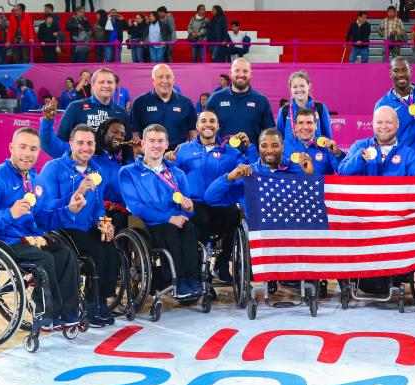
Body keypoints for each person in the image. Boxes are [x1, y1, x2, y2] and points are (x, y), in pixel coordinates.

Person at [0, 127, 84, 331]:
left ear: (39, 152)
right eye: (22, 147)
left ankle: (69, 313)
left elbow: (44, 219)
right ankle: (47, 314)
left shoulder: (35, 180)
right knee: (45, 259)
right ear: (11, 148)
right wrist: (9, 214)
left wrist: (69, 210)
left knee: (64, 253)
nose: (27, 153)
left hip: (29, 238)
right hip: (2, 241)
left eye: (33, 149)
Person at [40, 124, 119, 328]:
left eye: (90, 143)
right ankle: (91, 304)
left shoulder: (97, 170)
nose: (86, 148)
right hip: (60, 227)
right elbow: (46, 205)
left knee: (111, 249)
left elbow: (99, 206)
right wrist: (78, 192)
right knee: (96, 253)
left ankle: (102, 299)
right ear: (71, 144)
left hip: (86, 227)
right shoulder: (53, 168)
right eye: (81, 143)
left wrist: (104, 224)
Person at [119, 124, 202, 298]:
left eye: (160, 141)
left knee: (191, 230)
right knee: (170, 230)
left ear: (167, 144)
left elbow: (187, 209)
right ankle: (177, 281)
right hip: (147, 225)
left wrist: (189, 209)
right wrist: (168, 217)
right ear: (143, 144)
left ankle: (193, 280)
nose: (156, 145)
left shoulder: (177, 173)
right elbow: (137, 207)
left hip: (176, 222)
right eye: (151, 141)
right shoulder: (128, 172)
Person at [170, 111, 247, 284]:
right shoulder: (183, 150)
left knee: (235, 214)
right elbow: (171, 175)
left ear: (218, 126)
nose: (208, 124)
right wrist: (170, 160)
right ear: (197, 126)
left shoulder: (231, 151)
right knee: (201, 218)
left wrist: (250, 149)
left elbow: (248, 168)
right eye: (203, 121)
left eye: (212, 121)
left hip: (221, 203)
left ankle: (221, 263)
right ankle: (200, 273)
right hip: (195, 203)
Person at [203, 128, 315, 210]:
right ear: (259, 147)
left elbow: (313, 204)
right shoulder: (247, 174)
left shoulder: (297, 169)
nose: (269, 150)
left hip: (291, 234)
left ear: (283, 147)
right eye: (264, 145)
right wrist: (229, 177)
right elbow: (210, 198)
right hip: (260, 237)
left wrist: (309, 176)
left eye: (275, 145)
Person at [339, 106, 415, 181]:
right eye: (379, 122)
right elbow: (342, 172)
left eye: (389, 122)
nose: (383, 126)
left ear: (397, 124)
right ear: (373, 124)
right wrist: (359, 158)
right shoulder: (359, 146)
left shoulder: (409, 154)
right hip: (364, 204)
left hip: (395, 204)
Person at [375, 57, 415, 153]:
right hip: (400, 160)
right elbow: (380, 138)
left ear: (411, 71)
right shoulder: (382, 104)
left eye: (404, 70)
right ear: (390, 74)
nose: (401, 74)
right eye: (396, 71)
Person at [206, 57, 275, 145]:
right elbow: (206, 130)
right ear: (231, 73)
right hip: (221, 157)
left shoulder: (261, 101)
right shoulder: (215, 99)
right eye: (237, 70)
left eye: (245, 71)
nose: (241, 74)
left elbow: (270, 134)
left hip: (251, 157)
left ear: (251, 74)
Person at [130, 64, 197, 151]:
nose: (165, 81)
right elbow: (135, 134)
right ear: (153, 80)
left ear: (173, 80)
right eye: (160, 77)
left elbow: (193, 132)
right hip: (150, 155)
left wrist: (192, 154)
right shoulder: (140, 102)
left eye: (168, 77)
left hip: (178, 157)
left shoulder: (186, 103)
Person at [57, 68, 130, 144]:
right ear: (93, 85)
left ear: (115, 86)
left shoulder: (122, 113)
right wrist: (47, 123)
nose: (106, 85)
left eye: (110, 82)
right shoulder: (75, 107)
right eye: (101, 82)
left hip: (111, 155)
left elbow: (127, 148)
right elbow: (61, 142)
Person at [283, 107, 343, 175]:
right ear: (295, 127)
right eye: (301, 123)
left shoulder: (327, 146)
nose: (305, 127)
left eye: (309, 123)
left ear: (316, 125)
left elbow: (344, 171)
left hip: (321, 185)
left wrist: (338, 154)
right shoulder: (284, 146)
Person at [276, 70, 332, 140]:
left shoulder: (320, 108)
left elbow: (328, 139)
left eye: (302, 86)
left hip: (316, 150)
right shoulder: (284, 110)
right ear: (290, 88)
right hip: (291, 151)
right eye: (295, 87)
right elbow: (279, 139)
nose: (299, 89)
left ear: (309, 86)